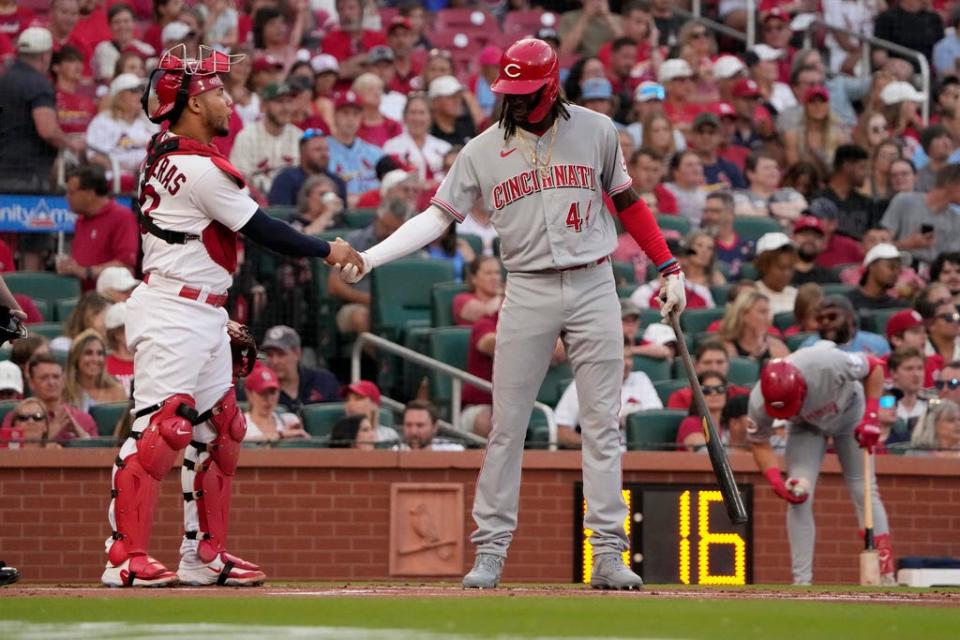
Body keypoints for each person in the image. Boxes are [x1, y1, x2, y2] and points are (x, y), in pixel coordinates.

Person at [335, 38, 686, 591]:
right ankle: (492, 551)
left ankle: (608, 555)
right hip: (526, 286)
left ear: (551, 86)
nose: (517, 102)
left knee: (601, 424)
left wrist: (669, 267)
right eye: (510, 92)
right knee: (507, 426)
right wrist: (371, 257)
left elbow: (628, 204)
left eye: (527, 92)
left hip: (595, 280)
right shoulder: (479, 149)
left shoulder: (596, 130)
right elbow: (436, 217)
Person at [101, 45, 362, 589]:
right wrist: (328, 250)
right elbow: (266, 230)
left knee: (222, 430)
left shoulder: (169, 149)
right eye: (216, 91)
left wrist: (217, 314)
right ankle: (124, 557)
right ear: (193, 104)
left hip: (199, 307)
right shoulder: (197, 167)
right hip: (175, 308)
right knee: (161, 429)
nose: (226, 98)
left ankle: (203, 556)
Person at [749, 345, 896, 585]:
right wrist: (776, 480)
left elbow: (875, 367)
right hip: (806, 427)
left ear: (800, 386)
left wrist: (871, 415)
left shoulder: (826, 362)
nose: (783, 414)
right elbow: (759, 442)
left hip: (851, 411)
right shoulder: (759, 400)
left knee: (864, 489)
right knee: (799, 493)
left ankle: (885, 574)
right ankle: (802, 581)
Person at [0, 27, 86, 193]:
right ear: (45, 56)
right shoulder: (39, 84)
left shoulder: (4, 80)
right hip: (27, 174)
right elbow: (47, 130)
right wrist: (70, 143)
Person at [555, 339, 662, 449]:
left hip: (638, 456)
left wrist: (625, 421)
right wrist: (596, 446)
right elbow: (561, 432)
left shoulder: (641, 379)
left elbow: (655, 420)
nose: (627, 363)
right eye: (621, 358)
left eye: (629, 357)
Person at [56, 164, 139, 293]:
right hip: (82, 298)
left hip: (111, 298)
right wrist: (71, 267)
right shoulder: (81, 220)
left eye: (71, 192)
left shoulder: (122, 217)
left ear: (89, 193)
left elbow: (126, 266)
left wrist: (86, 272)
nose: (67, 197)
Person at [229, 81, 302, 194]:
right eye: (279, 102)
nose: (286, 108)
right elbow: (238, 179)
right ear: (263, 106)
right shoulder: (247, 136)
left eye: (289, 102)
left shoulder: (299, 136)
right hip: (257, 204)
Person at [881, 164, 960, 268]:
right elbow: (879, 246)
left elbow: (952, 260)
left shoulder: (956, 220)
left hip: (934, 276)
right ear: (952, 183)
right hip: (898, 268)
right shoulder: (904, 200)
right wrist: (907, 244)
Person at [259, 325, 341, 413]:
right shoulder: (258, 389)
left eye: (281, 354)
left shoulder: (324, 381)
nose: (275, 361)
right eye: (270, 355)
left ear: (297, 353)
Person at [23, 353, 97, 444]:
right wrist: (50, 433)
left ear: (64, 381)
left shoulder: (83, 419)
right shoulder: (20, 417)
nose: (51, 382)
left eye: (56, 377)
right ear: (31, 383)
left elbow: (98, 455)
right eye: (44, 378)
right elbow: (11, 455)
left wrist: (81, 434)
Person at [326, 89, 384, 203]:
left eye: (355, 114)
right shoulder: (323, 150)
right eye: (345, 113)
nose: (350, 119)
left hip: (372, 211)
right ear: (335, 115)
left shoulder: (375, 153)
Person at [383, 93, 452, 186]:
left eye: (422, 113)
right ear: (404, 116)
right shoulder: (392, 147)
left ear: (430, 117)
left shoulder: (444, 148)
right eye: (412, 112)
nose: (417, 118)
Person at [267, 130, 348, 206]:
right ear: (303, 153)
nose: (324, 155)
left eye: (326, 150)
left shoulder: (337, 182)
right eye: (318, 150)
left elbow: (343, 216)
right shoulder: (286, 179)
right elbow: (278, 214)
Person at [817, 144, 876, 241]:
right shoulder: (818, 200)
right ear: (847, 166)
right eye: (862, 167)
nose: (866, 173)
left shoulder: (866, 203)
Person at [801, 295, 891, 356]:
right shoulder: (809, 348)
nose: (825, 322)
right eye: (820, 318)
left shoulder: (876, 344)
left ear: (849, 318)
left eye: (832, 317)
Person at [717, 290, 789, 363]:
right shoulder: (723, 347)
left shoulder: (777, 347)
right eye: (762, 312)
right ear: (743, 315)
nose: (768, 318)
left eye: (768, 312)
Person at [64, 328, 127, 411]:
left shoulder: (117, 392)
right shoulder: (64, 392)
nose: (95, 359)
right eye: (88, 353)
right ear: (76, 358)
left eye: (100, 353)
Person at [242, 363, 308, 442]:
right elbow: (244, 443)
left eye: (272, 393)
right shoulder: (241, 424)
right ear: (249, 394)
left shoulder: (290, 420)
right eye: (262, 393)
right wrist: (281, 435)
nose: (268, 399)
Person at [675, 371, 738, 452]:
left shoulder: (728, 426)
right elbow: (704, 452)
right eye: (706, 390)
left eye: (720, 389)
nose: (714, 393)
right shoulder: (690, 423)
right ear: (697, 394)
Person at [702, 191, 752, 279]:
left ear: (731, 213)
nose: (709, 216)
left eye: (715, 211)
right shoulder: (698, 244)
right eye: (706, 211)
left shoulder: (747, 245)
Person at [690, 112, 746, 190]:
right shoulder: (684, 168)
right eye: (701, 132)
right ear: (692, 136)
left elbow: (742, 196)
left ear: (719, 136)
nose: (705, 136)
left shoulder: (730, 168)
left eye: (711, 132)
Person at [847, 243, 910, 311]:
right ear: (872, 267)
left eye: (899, 268)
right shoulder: (848, 302)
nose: (896, 272)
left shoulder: (899, 307)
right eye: (891, 266)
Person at [753, 233, 799, 317]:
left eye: (790, 268)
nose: (787, 273)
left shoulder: (797, 295)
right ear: (764, 266)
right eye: (781, 268)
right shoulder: (751, 294)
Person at [342, 379, 400, 444]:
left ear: (373, 404)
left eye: (358, 399)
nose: (350, 404)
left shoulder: (389, 436)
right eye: (347, 400)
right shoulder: (337, 437)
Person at [397, 400, 464, 451]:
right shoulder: (394, 453)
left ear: (434, 427)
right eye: (408, 425)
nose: (413, 432)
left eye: (420, 425)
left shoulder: (453, 452)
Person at [454, 256, 502, 326]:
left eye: (497, 273)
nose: (495, 278)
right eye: (488, 273)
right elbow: (487, 313)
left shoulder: (504, 300)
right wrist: (500, 296)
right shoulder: (462, 299)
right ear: (474, 278)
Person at [791, 216, 837, 286]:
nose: (810, 239)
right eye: (805, 234)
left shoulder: (830, 278)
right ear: (793, 238)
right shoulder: (780, 275)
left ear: (822, 243)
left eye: (816, 236)